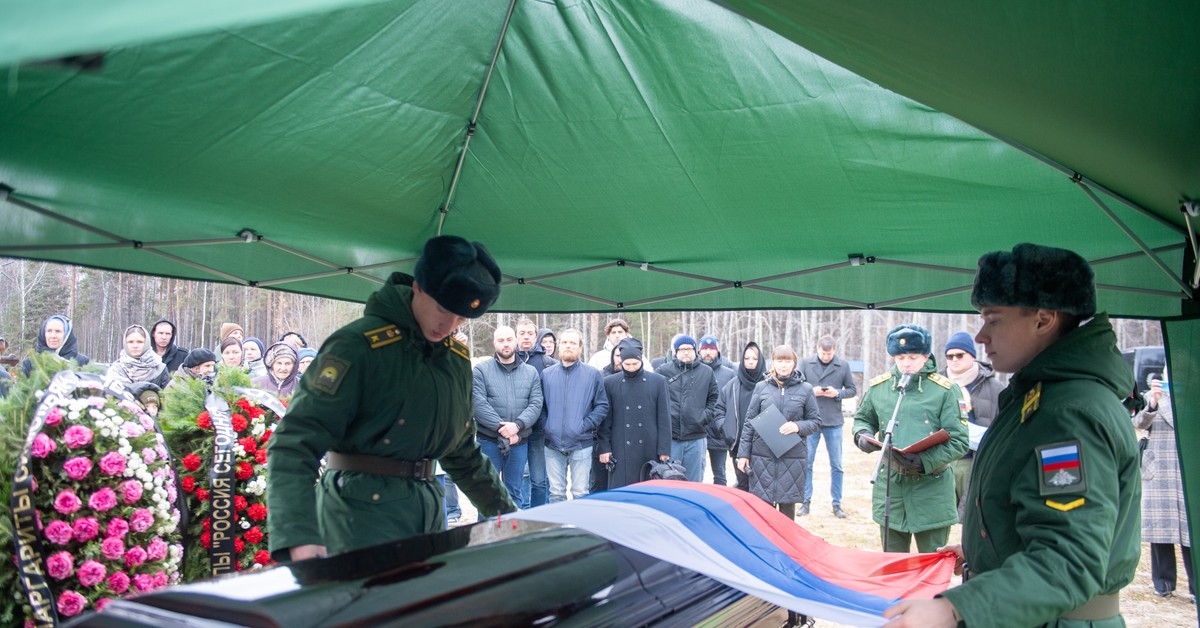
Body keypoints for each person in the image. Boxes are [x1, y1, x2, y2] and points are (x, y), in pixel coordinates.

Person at [885, 243, 1140, 627]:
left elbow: (1069, 561)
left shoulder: (1069, 414)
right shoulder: (1040, 397)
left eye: (993, 319)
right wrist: (985, 548)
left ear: (1043, 319)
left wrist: (955, 607)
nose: (981, 336)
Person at [267, 235, 515, 562]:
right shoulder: (357, 346)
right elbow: (295, 442)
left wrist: (512, 519)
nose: (448, 325)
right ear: (418, 287)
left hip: (427, 517)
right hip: (356, 521)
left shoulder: (454, 359)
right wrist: (299, 536)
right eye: (443, 309)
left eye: (460, 318)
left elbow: (462, 453)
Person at [852, 324, 969, 554]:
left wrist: (925, 461)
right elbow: (862, 419)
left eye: (913, 357)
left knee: (931, 562)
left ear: (926, 356)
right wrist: (862, 436)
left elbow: (959, 440)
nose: (906, 363)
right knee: (893, 564)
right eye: (900, 357)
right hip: (891, 488)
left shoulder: (945, 391)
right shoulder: (880, 387)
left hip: (931, 489)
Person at [735, 345, 821, 519]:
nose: (783, 365)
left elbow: (815, 421)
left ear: (794, 363)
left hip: (792, 458)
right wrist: (743, 454)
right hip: (762, 458)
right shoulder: (761, 387)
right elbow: (749, 423)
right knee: (763, 514)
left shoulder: (805, 389)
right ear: (773, 363)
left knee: (786, 514)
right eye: (779, 361)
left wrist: (798, 426)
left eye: (787, 361)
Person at [1135, 369, 1193, 600]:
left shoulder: (1193, 396)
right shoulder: (1153, 396)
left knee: (1191, 531)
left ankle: (1195, 587)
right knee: (1160, 530)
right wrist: (1152, 404)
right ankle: (1163, 583)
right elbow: (1138, 423)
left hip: (1188, 468)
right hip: (1160, 469)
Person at [472, 325, 543, 509]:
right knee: (487, 493)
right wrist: (502, 429)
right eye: (501, 340)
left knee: (514, 493)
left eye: (509, 340)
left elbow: (536, 404)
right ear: (494, 343)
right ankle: (488, 528)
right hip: (489, 442)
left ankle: (512, 527)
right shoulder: (481, 370)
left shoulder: (530, 372)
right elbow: (478, 403)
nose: (505, 344)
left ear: (515, 341)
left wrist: (517, 426)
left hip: (518, 442)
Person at [940, 330, 1005, 520]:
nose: (954, 360)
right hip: (941, 461)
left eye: (960, 355)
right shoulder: (935, 385)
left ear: (972, 355)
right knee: (939, 519)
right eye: (949, 356)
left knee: (973, 518)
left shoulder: (994, 388)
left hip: (974, 461)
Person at [540, 328, 608, 502]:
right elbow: (540, 406)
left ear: (580, 347)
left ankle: (578, 521)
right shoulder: (547, 375)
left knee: (580, 493)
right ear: (559, 346)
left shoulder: (593, 374)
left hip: (581, 444)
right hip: (552, 444)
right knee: (556, 493)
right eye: (564, 342)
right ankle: (558, 521)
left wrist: (584, 426)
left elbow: (601, 405)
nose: (568, 346)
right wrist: (547, 426)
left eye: (572, 343)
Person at [598, 338, 671, 489]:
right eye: (627, 364)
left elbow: (664, 418)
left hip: (649, 447)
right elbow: (605, 420)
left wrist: (664, 449)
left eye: (635, 364)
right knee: (621, 493)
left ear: (641, 360)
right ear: (621, 362)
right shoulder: (610, 382)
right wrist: (604, 448)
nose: (631, 368)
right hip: (620, 447)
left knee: (648, 490)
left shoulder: (658, 381)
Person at [798, 335, 857, 518]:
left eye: (829, 354)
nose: (825, 357)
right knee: (806, 463)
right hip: (811, 420)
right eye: (823, 353)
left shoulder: (843, 365)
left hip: (834, 420)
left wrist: (837, 393)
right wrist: (810, 390)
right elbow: (797, 385)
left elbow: (852, 389)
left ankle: (837, 504)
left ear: (834, 351)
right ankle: (805, 502)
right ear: (817, 349)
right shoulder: (805, 363)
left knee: (837, 465)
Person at [657, 335, 719, 482]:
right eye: (682, 349)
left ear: (695, 351)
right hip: (671, 438)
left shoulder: (706, 372)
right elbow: (654, 399)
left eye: (689, 349)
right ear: (675, 351)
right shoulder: (662, 372)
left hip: (696, 437)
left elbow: (714, 398)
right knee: (669, 481)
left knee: (694, 482)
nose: (686, 352)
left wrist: (703, 416)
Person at [515, 318, 557, 508]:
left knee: (539, 480)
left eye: (530, 333)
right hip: (515, 430)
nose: (526, 337)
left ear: (536, 336)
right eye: (522, 333)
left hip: (539, 430)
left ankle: (539, 515)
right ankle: (521, 513)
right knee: (517, 478)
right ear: (516, 336)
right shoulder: (507, 359)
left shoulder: (549, 363)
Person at [718, 341, 765, 491]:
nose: (750, 362)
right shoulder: (732, 385)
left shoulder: (769, 384)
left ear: (760, 361)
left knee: (763, 490)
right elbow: (719, 409)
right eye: (747, 358)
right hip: (738, 446)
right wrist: (726, 428)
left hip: (764, 448)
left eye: (754, 358)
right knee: (743, 486)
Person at [698, 335, 736, 486]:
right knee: (696, 474)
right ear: (699, 351)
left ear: (718, 351)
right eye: (705, 349)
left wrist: (725, 426)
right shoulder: (693, 370)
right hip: (697, 431)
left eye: (711, 349)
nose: (708, 352)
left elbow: (731, 403)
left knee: (720, 474)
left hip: (719, 433)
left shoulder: (729, 374)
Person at [20, 314, 90, 376]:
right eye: (49, 331)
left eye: (58, 331)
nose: (53, 336)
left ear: (67, 335)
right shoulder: (31, 363)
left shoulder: (83, 362)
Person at [105, 324, 170, 390]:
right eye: (130, 342)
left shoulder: (159, 369)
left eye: (140, 342)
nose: (135, 346)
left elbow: (168, 395)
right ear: (125, 343)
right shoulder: (116, 370)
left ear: (146, 343)